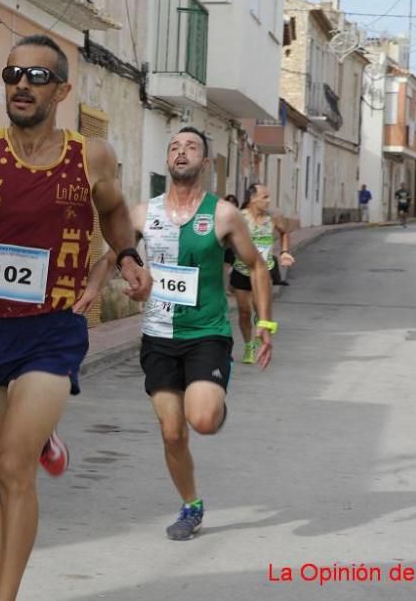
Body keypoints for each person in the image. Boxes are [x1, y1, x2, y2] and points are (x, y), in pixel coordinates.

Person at [0, 34, 150, 601]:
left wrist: (127, 254)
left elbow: (114, 211)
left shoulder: (91, 155)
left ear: (63, 90)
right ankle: (41, 439)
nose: (21, 84)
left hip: (55, 327)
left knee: (15, 471)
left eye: (37, 76)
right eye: (13, 74)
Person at [83, 127, 275, 542]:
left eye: (191, 147)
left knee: (201, 420)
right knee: (172, 433)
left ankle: (214, 407)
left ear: (205, 162)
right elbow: (116, 253)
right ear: (168, 161)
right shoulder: (142, 214)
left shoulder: (223, 215)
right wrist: (93, 286)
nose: (181, 152)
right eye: (173, 147)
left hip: (207, 332)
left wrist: (264, 323)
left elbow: (257, 267)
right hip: (158, 335)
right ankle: (191, 505)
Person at [231, 183, 294, 364]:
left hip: (263, 272)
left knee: (261, 311)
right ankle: (249, 345)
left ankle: (262, 342)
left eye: (269, 197)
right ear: (252, 199)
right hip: (242, 270)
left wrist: (284, 252)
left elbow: (284, 233)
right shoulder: (239, 218)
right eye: (264, 197)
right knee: (244, 311)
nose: (269, 201)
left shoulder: (272, 219)